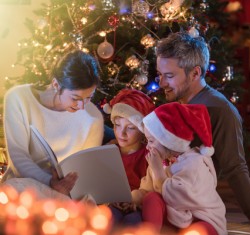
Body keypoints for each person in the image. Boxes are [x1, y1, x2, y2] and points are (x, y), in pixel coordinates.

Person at [155, 32, 250, 235]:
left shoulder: (219, 110)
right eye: (160, 74)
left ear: (195, 73)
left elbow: (236, 171)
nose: (161, 83)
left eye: (169, 76)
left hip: (190, 213)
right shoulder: (175, 105)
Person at [1, 50, 104, 197]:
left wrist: (65, 186)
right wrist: (50, 181)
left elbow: (84, 170)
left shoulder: (93, 117)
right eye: (75, 98)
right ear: (56, 84)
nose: (82, 106)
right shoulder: (19, 99)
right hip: (24, 186)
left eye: (89, 97)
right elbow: (19, 158)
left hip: (67, 192)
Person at [132, 102, 227, 235]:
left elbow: (177, 198)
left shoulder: (194, 163)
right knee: (152, 198)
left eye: (151, 141)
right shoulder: (160, 161)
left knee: (201, 230)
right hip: (176, 219)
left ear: (169, 142)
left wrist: (158, 171)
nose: (147, 147)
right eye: (147, 141)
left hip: (200, 218)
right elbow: (147, 189)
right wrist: (133, 198)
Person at [103, 88, 155, 226]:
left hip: (137, 207)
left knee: (133, 221)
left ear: (142, 131)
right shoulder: (108, 151)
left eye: (130, 128)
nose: (121, 133)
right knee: (109, 217)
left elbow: (153, 189)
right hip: (112, 204)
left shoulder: (148, 156)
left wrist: (135, 202)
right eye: (117, 125)